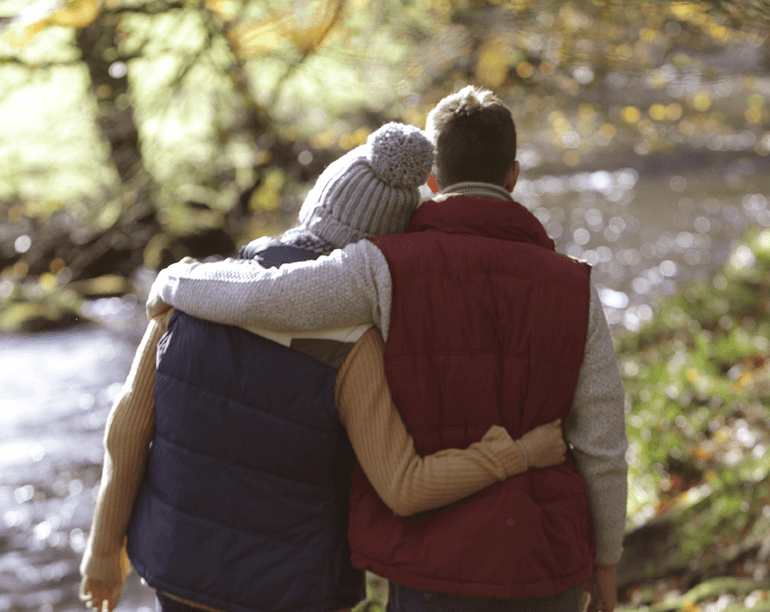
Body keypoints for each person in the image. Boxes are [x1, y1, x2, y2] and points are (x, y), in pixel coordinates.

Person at [147, 87, 629, 612]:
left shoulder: (381, 266)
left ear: (432, 180)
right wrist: (605, 564)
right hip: (547, 562)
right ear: (512, 176)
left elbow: (269, 295)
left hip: (433, 561)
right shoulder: (576, 288)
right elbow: (603, 447)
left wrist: (178, 280)